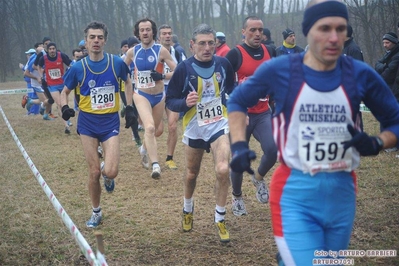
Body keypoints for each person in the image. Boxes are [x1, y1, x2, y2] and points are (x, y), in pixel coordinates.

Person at [227, 1, 399, 265]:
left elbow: (394, 121)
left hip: (342, 192)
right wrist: (239, 145)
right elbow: (237, 100)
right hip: (295, 190)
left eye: (341, 29)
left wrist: (377, 142)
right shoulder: (280, 70)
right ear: (308, 31)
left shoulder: (360, 74)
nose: (333, 37)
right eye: (324, 28)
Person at [60, 21, 135, 228]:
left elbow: (128, 82)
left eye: (100, 37)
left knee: (110, 172)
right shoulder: (77, 67)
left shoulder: (116, 63)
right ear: (86, 41)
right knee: (93, 172)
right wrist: (64, 109)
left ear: (105, 40)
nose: (96, 41)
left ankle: (107, 175)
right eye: (92, 37)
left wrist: (129, 107)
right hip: (87, 124)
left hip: (110, 121)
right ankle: (96, 212)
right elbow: (64, 93)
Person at [166, 23, 235, 243]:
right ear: (192, 45)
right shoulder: (183, 69)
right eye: (202, 43)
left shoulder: (224, 65)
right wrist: (185, 103)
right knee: (191, 174)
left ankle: (220, 218)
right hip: (195, 127)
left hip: (218, 124)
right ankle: (187, 209)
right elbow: (171, 101)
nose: (207, 48)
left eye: (211, 43)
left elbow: (231, 91)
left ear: (216, 44)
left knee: (223, 169)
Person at [225, 16, 277, 216]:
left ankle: (258, 177)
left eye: (260, 30)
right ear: (243, 32)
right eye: (253, 30)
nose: (257, 34)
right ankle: (237, 197)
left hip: (263, 113)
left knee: (273, 150)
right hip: (241, 116)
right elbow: (226, 86)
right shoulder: (234, 55)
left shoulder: (269, 51)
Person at [124, 18, 176, 179]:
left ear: (153, 31)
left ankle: (144, 149)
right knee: (150, 128)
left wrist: (162, 75)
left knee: (157, 130)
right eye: (142, 30)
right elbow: (120, 68)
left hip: (159, 96)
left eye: (148, 29)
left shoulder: (161, 51)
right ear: (138, 33)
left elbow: (178, 71)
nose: (145, 32)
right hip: (141, 95)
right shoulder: (133, 52)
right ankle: (156, 165)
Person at [158, 24, 186, 169]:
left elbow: (182, 71)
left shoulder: (178, 53)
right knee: (156, 129)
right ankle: (145, 148)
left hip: (173, 90)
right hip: (157, 90)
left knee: (173, 126)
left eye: (169, 33)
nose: (167, 36)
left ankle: (169, 158)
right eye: (164, 34)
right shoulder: (153, 53)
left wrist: (163, 75)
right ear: (159, 37)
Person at [37, 42, 72, 134]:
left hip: (62, 83)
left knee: (65, 104)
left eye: (53, 48)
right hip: (52, 85)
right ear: (47, 50)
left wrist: (70, 74)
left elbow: (70, 64)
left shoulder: (61, 56)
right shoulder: (43, 58)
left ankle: (66, 119)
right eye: (50, 49)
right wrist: (41, 76)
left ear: (56, 49)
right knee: (60, 103)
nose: (52, 50)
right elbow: (38, 66)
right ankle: (66, 125)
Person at [375, 32, 399, 99]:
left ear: (394, 42)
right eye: (384, 43)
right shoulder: (388, 53)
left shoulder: (396, 56)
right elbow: (377, 64)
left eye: (387, 43)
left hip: (393, 89)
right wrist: (384, 67)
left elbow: (389, 72)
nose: (384, 45)